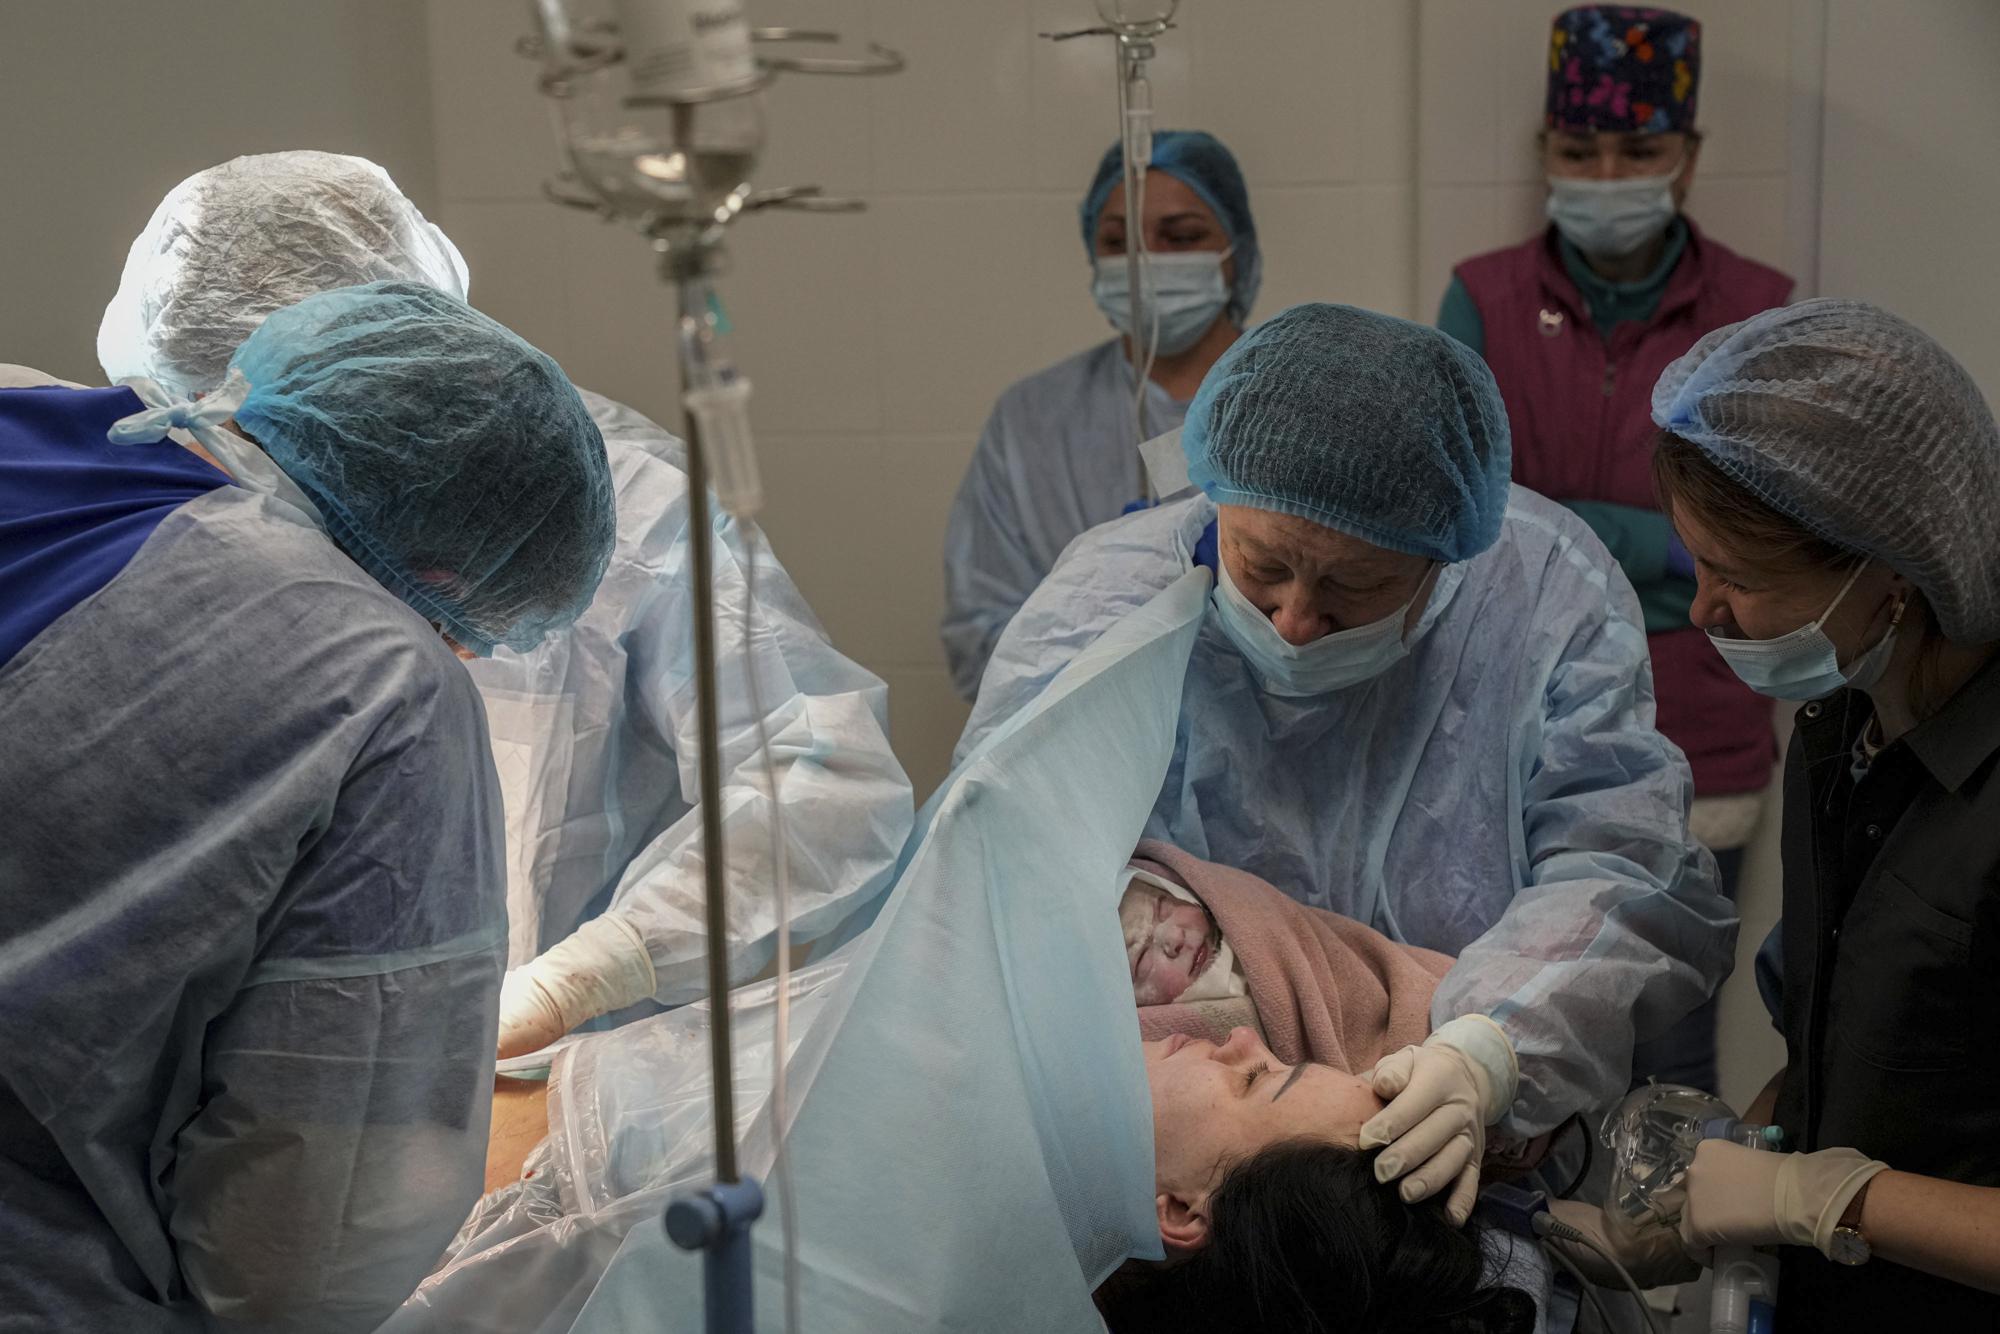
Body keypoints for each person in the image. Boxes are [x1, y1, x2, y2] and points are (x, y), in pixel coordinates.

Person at [96, 151, 916, 1059]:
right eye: (240, 430)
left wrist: (593, 972)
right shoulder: (194, 477)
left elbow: (826, 784)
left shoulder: (592, 505)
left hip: (550, 1072)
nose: (271, 480)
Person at [960, 302, 1736, 1225]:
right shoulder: (1105, 608)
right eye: (1260, 566)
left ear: (1445, 561)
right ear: (1216, 496)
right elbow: (998, 884)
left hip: (1471, 1153)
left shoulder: (1537, 599)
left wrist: (1494, 1049)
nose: (1294, 619)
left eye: (1354, 586)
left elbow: (1622, 868)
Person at [0, 282, 615, 1330]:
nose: (462, 648)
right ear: (441, 573)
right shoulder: (385, 684)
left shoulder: (26, 415)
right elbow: (308, 1254)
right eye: (474, 627)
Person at [1564, 300, 2000, 1329]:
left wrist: (1817, 1197)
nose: (1703, 610)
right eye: (1696, 567)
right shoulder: (1841, 731)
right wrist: (1719, 1179)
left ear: (1887, 573)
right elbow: (1846, 1051)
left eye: (1739, 579)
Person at [1437, 6, 1794, 1094]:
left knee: (1672, 1029)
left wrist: (1563, 527)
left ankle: (1662, 1255)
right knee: (1508, 1007)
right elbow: (1459, 511)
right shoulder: (1482, 298)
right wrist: (1661, 542)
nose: (1605, 172)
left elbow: (1753, 540)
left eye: (1636, 150)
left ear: (1684, 160)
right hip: (1513, 719)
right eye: (1578, 149)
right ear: (1544, 151)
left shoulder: (1755, 309)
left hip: (1699, 731)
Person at [941, 129, 1258, 698]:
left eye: (1182, 237)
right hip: (1080, 760)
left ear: (1236, 252)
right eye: (1118, 243)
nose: (1147, 263)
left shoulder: (1301, 404)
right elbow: (982, 635)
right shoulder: (1031, 420)